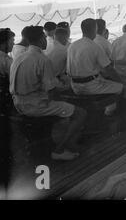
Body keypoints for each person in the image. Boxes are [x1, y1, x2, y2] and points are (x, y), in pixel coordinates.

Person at [9, 26, 87, 161]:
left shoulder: (19, 58)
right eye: (44, 37)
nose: (46, 39)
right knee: (80, 113)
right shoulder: (42, 59)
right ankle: (61, 148)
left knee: (64, 106)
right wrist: (64, 104)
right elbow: (51, 91)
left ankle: (60, 142)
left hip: (18, 104)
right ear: (40, 39)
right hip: (36, 106)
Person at [67, 18, 123, 96]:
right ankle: (114, 107)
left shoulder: (72, 46)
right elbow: (109, 69)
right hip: (91, 86)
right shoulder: (95, 46)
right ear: (95, 29)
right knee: (121, 87)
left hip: (75, 86)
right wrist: (121, 80)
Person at [0, 28, 15, 114]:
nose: (13, 43)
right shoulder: (7, 61)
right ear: (4, 43)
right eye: (11, 41)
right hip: (5, 99)